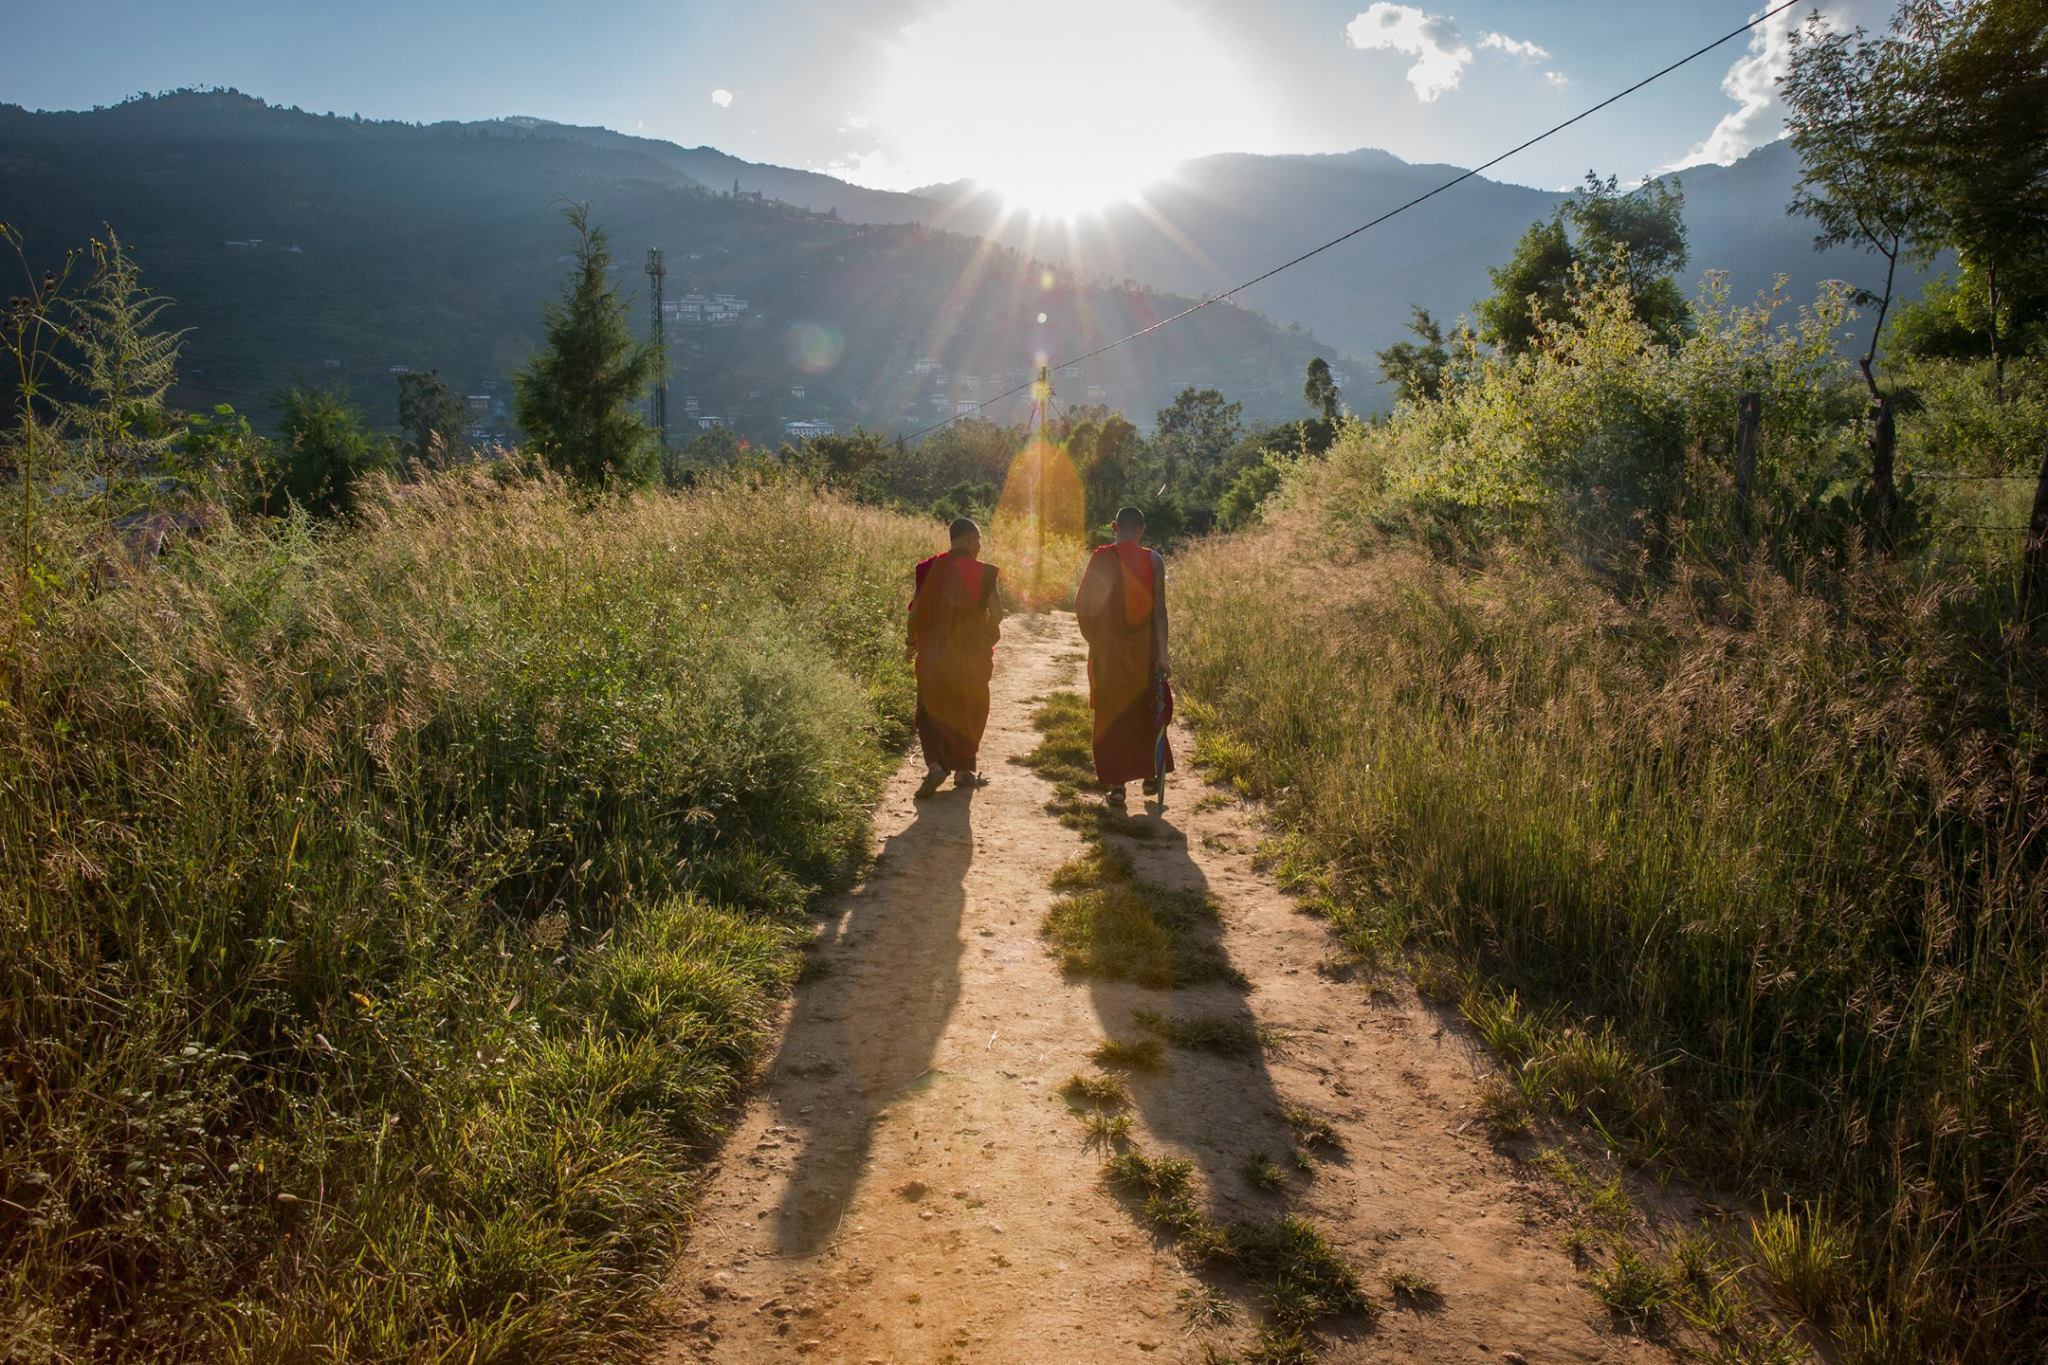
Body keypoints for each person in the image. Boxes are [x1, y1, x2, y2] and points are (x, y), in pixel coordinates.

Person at [1074, 505, 1172, 806]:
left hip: (1109, 652)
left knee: (1111, 715)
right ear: (1141, 529)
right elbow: (1160, 611)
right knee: (1147, 709)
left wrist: (1097, 640)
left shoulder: (1100, 558)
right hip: (1145, 653)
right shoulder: (1154, 561)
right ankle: (1150, 773)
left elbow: (1083, 605)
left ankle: (1117, 787)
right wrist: (1163, 654)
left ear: (1114, 527)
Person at [907, 517, 1004, 797]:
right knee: (970, 706)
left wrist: (910, 642)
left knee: (929, 709)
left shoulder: (929, 568)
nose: (980, 546)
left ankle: (936, 765)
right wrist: (986, 636)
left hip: (934, 651)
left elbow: (915, 613)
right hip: (972, 653)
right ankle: (963, 771)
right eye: (980, 540)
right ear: (973, 539)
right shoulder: (984, 572)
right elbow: (996, 613)